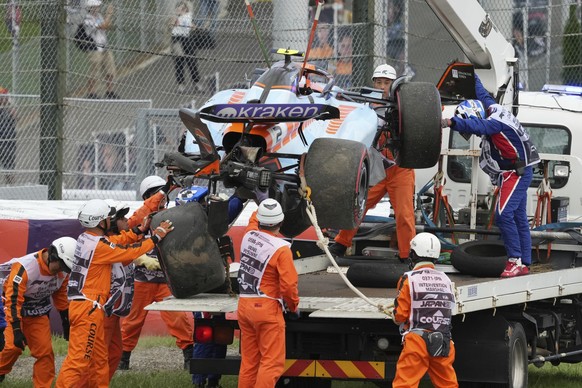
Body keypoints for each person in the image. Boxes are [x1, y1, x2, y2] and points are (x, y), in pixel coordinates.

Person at [56, 199, 174, 387]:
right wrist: (155, 238)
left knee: (99, 361)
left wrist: (137, 231)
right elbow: (127, 253)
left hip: (88, 306)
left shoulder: (87, 238)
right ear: (100, 222)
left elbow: (115, 242)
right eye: (108, 218)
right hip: (88, 308)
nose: (111, 221)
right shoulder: (99, 247)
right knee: (79, 362)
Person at [441, 74, 540, 277]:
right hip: (516, 170)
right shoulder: (492, 107)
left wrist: (451, 122)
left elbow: (475, 126)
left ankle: (514, 260)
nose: (475, 135)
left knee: (503, 216)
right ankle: (524, 263)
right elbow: (482, 92)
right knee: (519, 217)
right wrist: (472, 75)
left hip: (516, 172)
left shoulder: (492, 124)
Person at [329, 64, 416, 262]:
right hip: (375, 167)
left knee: (404, 214)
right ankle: (341, 243)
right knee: (358, 204)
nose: (382, 86)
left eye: (386, 83)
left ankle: (406, 255)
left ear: (394, 85)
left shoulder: (405, 104)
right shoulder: (365, 106)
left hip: (400, 168)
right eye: (378, 82)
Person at [119, 176, 194, 371]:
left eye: (162, 192)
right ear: (147, 197)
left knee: (177, 318)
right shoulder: (139, 218)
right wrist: (141, 259)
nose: (160, 198)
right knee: (132, 320)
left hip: (167, 280)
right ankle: (123, 358)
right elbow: (124, 246)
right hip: (142, 279)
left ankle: (189, 355)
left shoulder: (173, 216)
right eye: (155, 194)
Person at [237, 198, 300, 388]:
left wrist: (262, 199)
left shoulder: (249, 236)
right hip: (267, 310)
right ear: (281, 222)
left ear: (260, 221)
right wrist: (293, 306)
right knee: (271, 364)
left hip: (244, 306)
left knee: (250, 363)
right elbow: (289, 286)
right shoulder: (282, 249)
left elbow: (252, 220)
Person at [0, 237, 77, 386]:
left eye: (65, 268)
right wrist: (16, 329)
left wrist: (66, 322)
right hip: (13, 310)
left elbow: (61, 295)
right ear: (53, 255)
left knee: (45, 353)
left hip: (38, 313)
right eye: (60, 266)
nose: (61, 271)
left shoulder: (63, 271)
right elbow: (13, 300)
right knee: (12, 347)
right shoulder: (25, 268)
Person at [392, 232, 458, 388]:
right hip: (443, 340)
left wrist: (395, 317)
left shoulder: (408, 279)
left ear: (413, 255)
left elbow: (400, 315)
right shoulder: (446, 279)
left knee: (405, 384)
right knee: (447, 384)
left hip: (417, 342)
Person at [83, 0, 118, 99]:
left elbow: (106, 26)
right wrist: (109, 15)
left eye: (97, 6)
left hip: (104, 46)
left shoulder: (99, 17)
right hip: (94, 47)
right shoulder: (87, 19)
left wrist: (107, 18)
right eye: (94, 6)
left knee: (110, 69)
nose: (96, 8)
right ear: (89, 7)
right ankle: (91, 92)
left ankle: (110, 91)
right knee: (95, 70)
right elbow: (102, 26)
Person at [171, 2, 197, 94]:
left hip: (187, 39)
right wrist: (176, 20)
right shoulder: (176, 18)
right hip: (177, 39)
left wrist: (192, 26)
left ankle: (196, 82)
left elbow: (193, 27)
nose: (178, 10)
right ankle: (181, 84)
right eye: (177, 8)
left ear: (185, 10)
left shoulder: (188, 16)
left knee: (191, 61)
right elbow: (171, 24)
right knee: (179, 62)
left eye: (181, 8)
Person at [0, 87, 16, 185]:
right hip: (6, 138)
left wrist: (10, 108)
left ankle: (10, 187)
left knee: (9, 166)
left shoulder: (7, 111)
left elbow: (16, 117)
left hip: (8, 140)